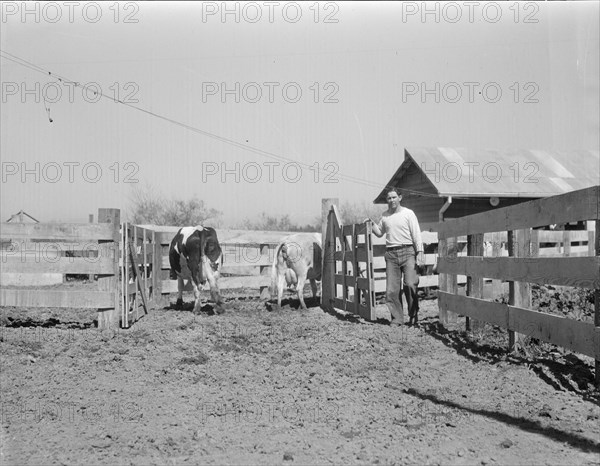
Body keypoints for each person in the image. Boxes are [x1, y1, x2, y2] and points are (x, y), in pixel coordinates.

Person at [367, 188, 425, 327]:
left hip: (408, 251)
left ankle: (413, 314)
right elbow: (380, 232)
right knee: (392, 290)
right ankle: (397, 319)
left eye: (394, 197)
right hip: (391, 255)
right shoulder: (385, 215)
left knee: (410, 284)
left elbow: (416, 233)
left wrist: (420, 252)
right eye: (389, 198)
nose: (392, 200)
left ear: (400, 197)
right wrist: (371, 223)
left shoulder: (408, 213)